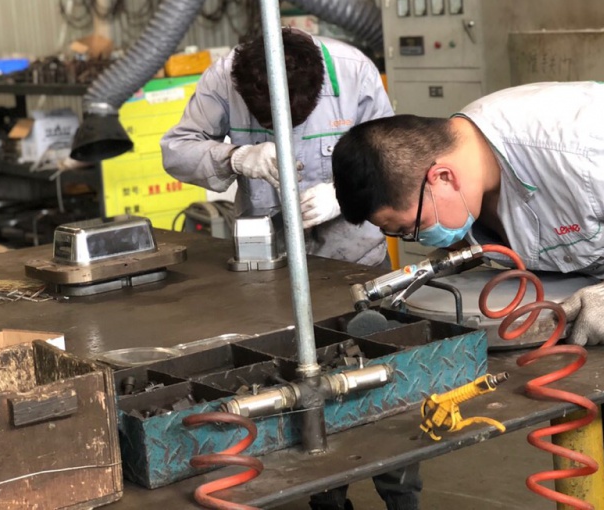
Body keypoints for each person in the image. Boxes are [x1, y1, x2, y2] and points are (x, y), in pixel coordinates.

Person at [330, 81, 604, 510]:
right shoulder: (468, 162)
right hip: (596, 304)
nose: (417, 238)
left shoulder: (582, 149)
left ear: (443, 176)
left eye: (411, 227)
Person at [161, 28, 421, 510]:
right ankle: (326, 496)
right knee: (298, 384)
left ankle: (401, 496)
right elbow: (175, 150)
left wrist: (344, 194)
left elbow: (395, 163)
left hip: (356, 265)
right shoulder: (223, 78)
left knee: (384, 378)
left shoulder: (352, 72)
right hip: (271, 273)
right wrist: (235, 157)